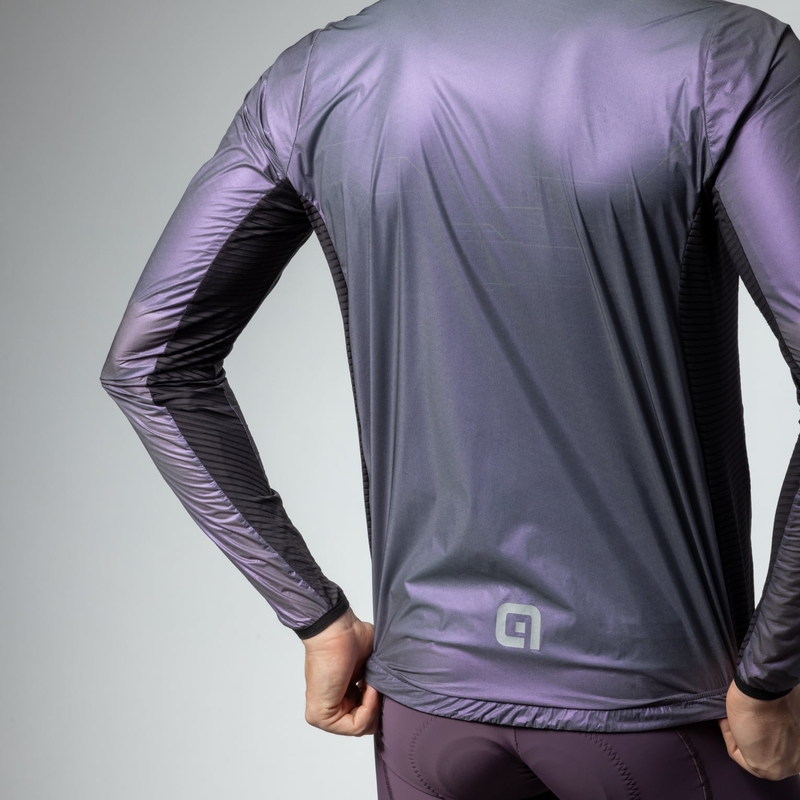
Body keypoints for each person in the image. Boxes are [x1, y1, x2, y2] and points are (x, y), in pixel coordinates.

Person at [100, 0, 800, 796]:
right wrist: (770, 670)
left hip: (428, 713)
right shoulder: (725, 61)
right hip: (661, 709)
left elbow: (149, 365)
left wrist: (315, 617)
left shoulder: (316, 79)